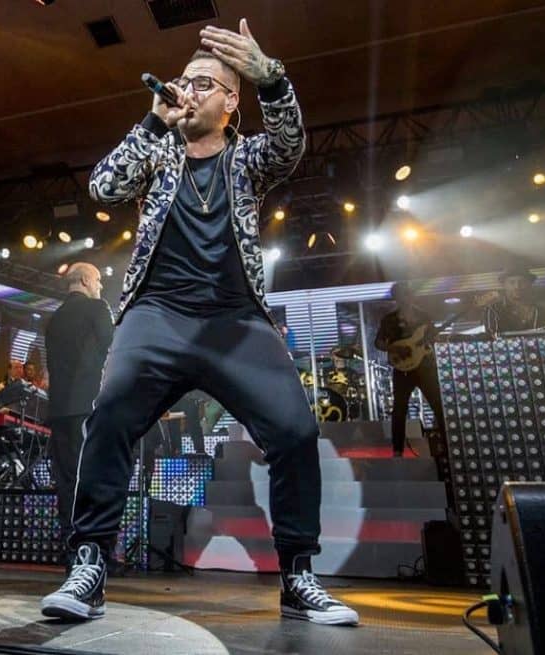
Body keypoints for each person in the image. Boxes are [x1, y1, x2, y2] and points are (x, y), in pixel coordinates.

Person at [40, 19, 358, 626]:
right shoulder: (158, 153)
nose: (188, 90)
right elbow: (103, 186)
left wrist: (273, 79)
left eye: (203, 83)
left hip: (236, 322)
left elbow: (290, 146)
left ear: (231, 102)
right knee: (109, 416)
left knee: (295, 431)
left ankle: (298, 575)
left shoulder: (247, 158)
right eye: (183, 81)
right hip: (157, 316)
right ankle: (88, 565)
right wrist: (151, 121)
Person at [44, 263, 114, 547]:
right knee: (93, 477)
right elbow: (115, 349)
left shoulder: (54, 318)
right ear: (85, 280)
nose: (100, 286)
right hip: (88, 407)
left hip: (58, 410)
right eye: (98, 280)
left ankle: (70, 545)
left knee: (66, 480)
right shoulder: (98, 309)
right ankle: (93, 549)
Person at [374, 282, 445, 458]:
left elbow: (434, 337)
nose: (405, 298)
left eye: (407, 294)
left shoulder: (424, 316)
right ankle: (397, 450)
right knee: (399, 409)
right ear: (396, 298)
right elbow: (378, 342)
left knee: (438, 405)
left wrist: (432, 340)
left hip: (425, 366)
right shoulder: (389, 320)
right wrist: (394, 348)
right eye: (401, 295)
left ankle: (447, 443)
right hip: (403, 369)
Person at [482, 265, 545, 336]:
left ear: (529, 284)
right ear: (504, 285)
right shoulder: (493, 310)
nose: (517, 286)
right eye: (512, 282)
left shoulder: (541, 311)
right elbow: (491, 337)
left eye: (522, 282)